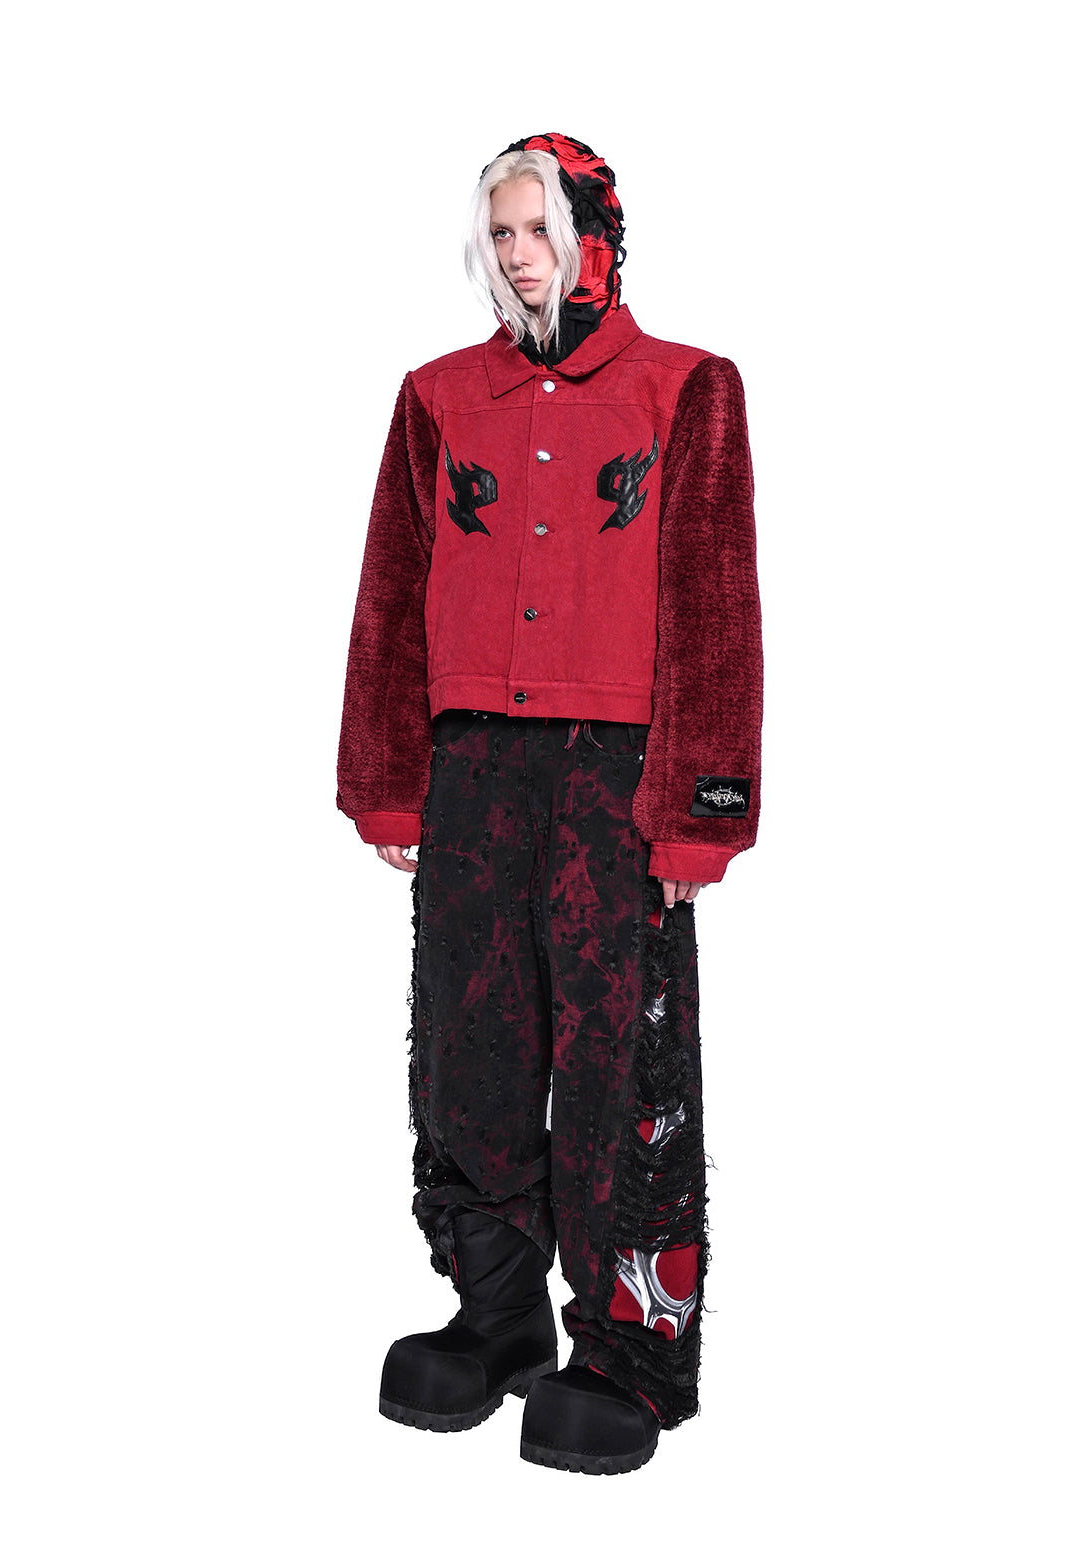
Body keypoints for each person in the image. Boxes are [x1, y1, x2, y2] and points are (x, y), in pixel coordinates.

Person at [336, 132, 763, 1474]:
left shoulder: (683, 390)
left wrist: (701, 807)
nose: (521, 255)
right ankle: (499, 1311)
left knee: (618, 1056)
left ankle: (631, 1351)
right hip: (472, 768)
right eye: (502, 233)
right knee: (468, 1042)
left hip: (613, 777)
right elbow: (391, 592)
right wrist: (386, 779)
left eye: (540, 229)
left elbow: (714, 606)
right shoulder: (437, 397)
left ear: (593, 238)